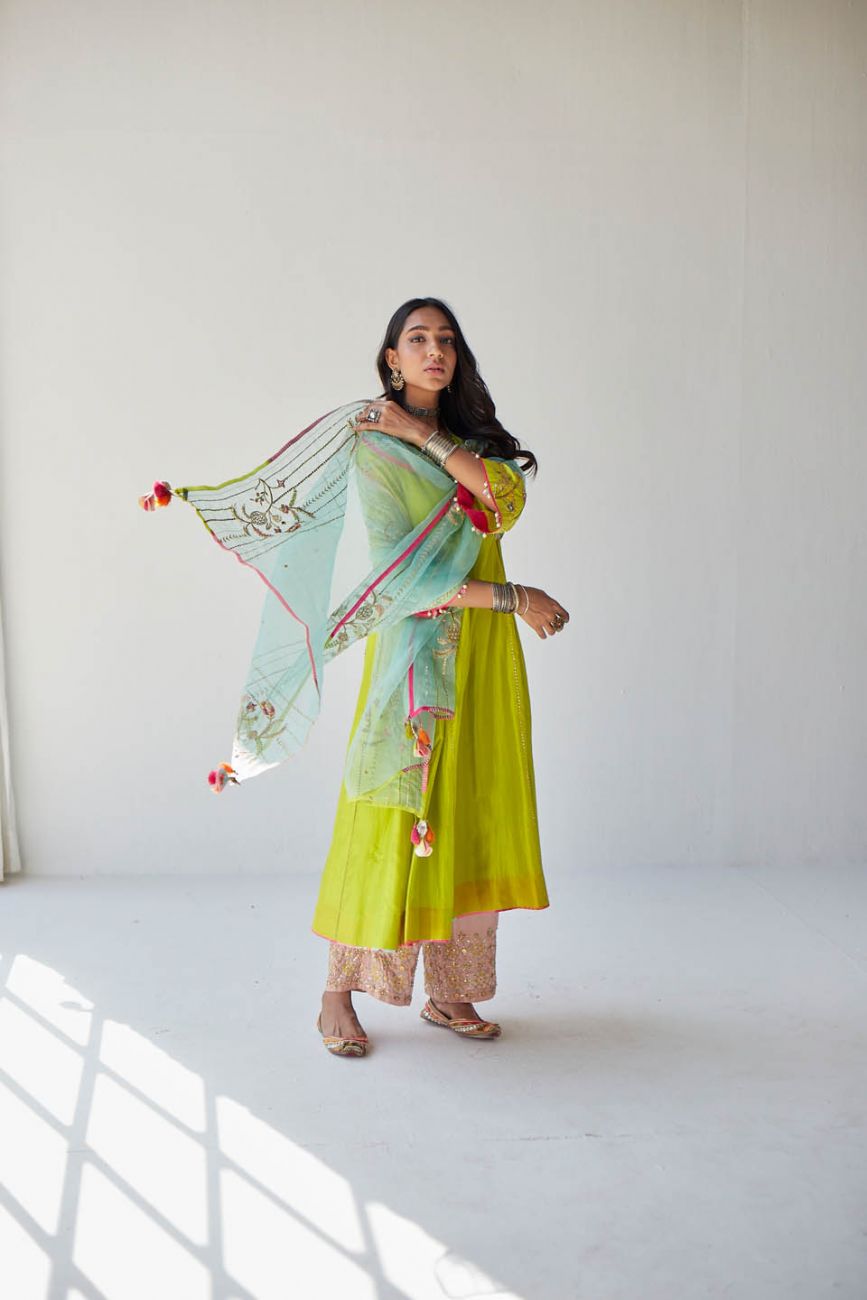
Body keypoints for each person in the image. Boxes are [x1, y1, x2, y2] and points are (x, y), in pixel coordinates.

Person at [313, 297, 570, 1057]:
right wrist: (515, 598)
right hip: (413, 657)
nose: (435, 350)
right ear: (391, 359)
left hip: (480, 658)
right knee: (390, 811)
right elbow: (400, 580)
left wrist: (425, 434)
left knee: (469, 807)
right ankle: (337, 993)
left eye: (447, 340)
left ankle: (451, 991)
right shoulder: (374, 449)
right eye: (418, 339)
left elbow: (500, 499)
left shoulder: (470, 447)